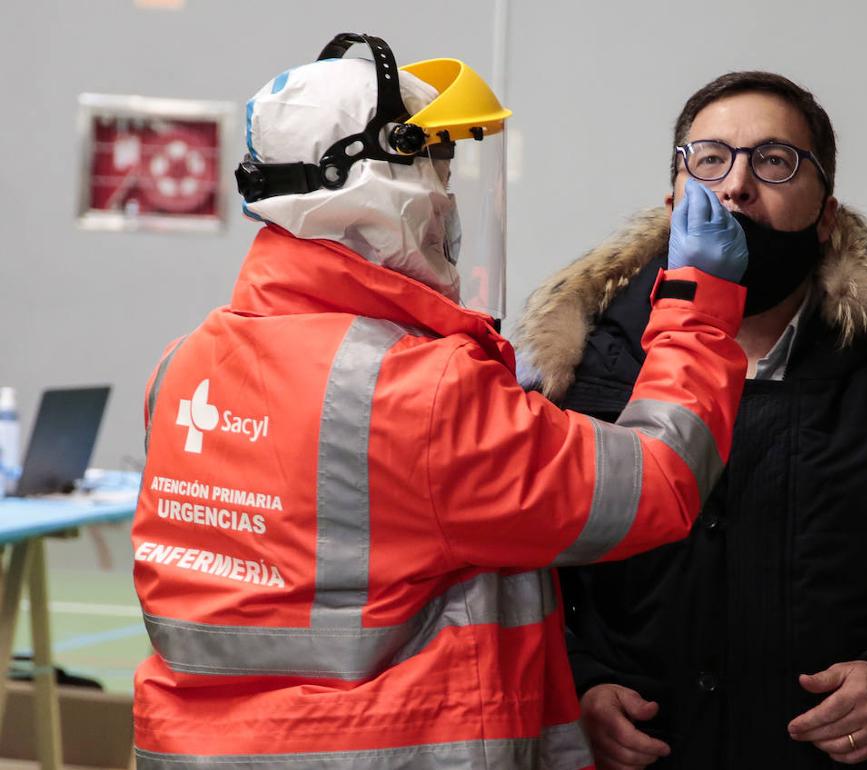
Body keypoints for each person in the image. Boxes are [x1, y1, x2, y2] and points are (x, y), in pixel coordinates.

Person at [130, 33, 753, 768]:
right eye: (438, 165)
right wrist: (698, 310)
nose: (449, 198)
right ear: (383, 188)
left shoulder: (183, 367)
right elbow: (659, 481)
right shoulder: (419, 395)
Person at [514, 72, 867, 769]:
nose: (737, 186)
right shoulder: (579, 381)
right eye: (710, 159)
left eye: (775, 160)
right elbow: (521, 575)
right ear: (674, 200)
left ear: (827, 214)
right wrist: (578, 684)